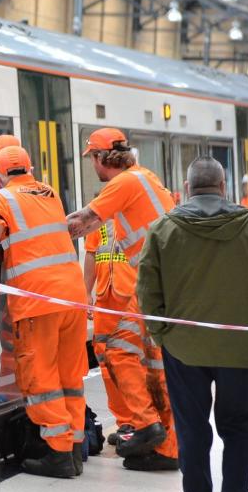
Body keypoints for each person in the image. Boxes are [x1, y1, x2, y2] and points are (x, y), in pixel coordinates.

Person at [136, 156, 248, 492]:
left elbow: (148, 289)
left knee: (192, 430)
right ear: (223, 187)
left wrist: (161, 332)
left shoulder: (163, 229)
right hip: (239, 348)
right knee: (238, 429)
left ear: (186, 189)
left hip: (183, 347)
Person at [67, 128, 179, 467]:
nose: (93, 168)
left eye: (93, 160)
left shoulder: (124, 183)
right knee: (154, 362)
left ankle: (147, 427)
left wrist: (36, 233)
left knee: (120, 350)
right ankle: (165, 444)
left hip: (154, 283)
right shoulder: (146, 178)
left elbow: (82, 223)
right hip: (163, 281)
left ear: (103, 159)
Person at [0, 145, 89, 478]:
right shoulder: (50, 193)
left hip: (37, 298)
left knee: (41, 375)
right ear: (30, 168)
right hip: (72, 294)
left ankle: (58, 453)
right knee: (70, 375)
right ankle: (74, 447)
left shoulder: (1, 198)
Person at [82, 220, 175, 470]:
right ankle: (127, 423)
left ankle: (146, 423)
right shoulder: (98, 216)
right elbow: (92, 253)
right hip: (105, 298)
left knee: (141, 364)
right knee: (107, 364)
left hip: (133, 297)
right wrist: (86, 292)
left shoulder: (139, 209)